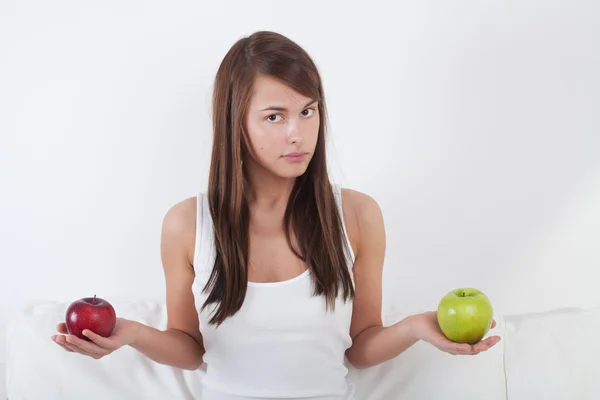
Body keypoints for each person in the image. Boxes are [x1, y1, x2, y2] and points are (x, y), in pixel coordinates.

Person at [51, 31, 501, 399]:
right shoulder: (186, 225)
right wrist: (128, 333)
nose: (297, 133)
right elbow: (190, 350)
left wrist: (415, 327)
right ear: (235, 123)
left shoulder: (358, 215)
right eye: (274, 117)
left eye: (307, 111)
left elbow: (360, 347)